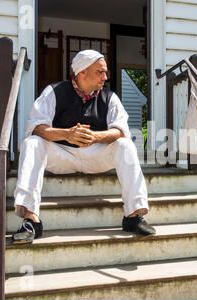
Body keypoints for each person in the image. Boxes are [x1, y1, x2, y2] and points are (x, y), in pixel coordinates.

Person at [11, 49, 155, 244]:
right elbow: (36, 127)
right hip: (62, 155)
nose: (105, 77)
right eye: (100, 72)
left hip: (96, 156)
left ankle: (133, 216)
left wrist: (95, 137)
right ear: (82, 73)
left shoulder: (110, 97)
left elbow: (120, 131)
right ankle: (31, 220)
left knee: (125, 145)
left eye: (105, 72)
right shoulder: (53, 92)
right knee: (31, 143)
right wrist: (67, 134)